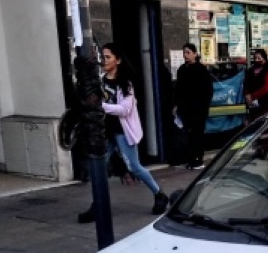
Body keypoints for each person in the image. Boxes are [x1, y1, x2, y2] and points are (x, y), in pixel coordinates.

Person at [78, 43, 169, 223]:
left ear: (118, 60)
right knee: (99, 166)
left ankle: (159, 194)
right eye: (102, 57)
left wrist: (100, 106)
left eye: (108, 57)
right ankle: (98, 205)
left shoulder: (125, 84)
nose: (104, 61)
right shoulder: (101, 81)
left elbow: (125, 109)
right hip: (106, 132)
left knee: (135, 167)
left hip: (123, 132)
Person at [173, 43, 214, 170]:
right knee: (189, 134)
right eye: (184, 53)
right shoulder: (181, 70)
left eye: (188, 52)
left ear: (195, 54)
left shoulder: (202, 70)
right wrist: (176, 105)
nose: (186, 55)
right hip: (185, 109)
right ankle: (190, 159)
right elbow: (178, 89)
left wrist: (203, 105)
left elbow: (208, 91)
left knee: (198, 134)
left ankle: (198, 159)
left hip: (199, 109)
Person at [243, 48, 268, 123]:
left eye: (259, 58)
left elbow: (266, 87)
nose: (257, 60)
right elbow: (245, 83)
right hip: (252, 105)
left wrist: (252, 96)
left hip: (264, 104)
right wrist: (247, 95)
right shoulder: (250, 70)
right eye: (255, 58)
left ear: (264, 59)